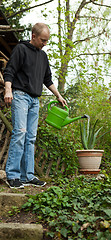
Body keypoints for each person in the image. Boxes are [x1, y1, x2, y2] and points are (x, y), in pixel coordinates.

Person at [3, 23, 67, 189]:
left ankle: (27, 176)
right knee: (20, 133)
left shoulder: (43, 56)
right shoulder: (21, 49)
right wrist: (8, 90)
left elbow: (47, 80)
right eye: (43, 40)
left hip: (34, 100)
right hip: (20, 96)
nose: (45, 43)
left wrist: (58, 96)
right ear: (33, 36)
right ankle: (13, 175)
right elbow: (9, 71)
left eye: (47, 41)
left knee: (30, 138)